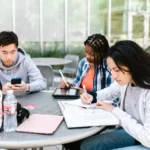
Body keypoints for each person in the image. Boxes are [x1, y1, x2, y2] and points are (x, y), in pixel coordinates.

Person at [80, 40, 150, 150]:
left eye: (116, 70)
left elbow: (147, 139)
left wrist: (114, 110)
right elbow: (111, 91)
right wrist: (92, 96)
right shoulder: (128, 80)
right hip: (132, 132)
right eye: (111, 70)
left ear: (133, 64)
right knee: (87, 146)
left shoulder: (147, 91)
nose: (113, 75)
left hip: (146, 141)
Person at [61, 34, 113, 102]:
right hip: (81, 103)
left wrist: (88, 94)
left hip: (99, 108)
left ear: (102, 53)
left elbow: (112, 95)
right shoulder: (83, 63)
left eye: (92, 54)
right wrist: (70, 86)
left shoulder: (109, 68)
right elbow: (77, 81)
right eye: (86, 52)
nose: (87, 56)